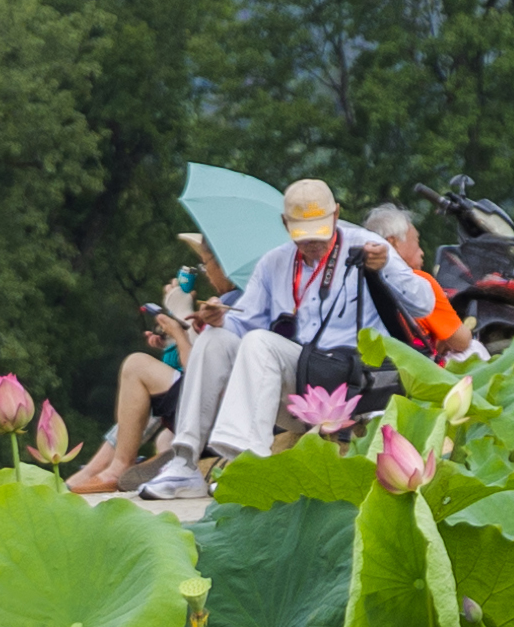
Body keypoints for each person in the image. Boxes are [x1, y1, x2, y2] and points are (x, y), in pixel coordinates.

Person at [139, 179, 435, 498]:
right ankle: (185, 462)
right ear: (285, 223)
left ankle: (250, 462)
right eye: (302, 234)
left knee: (260, 343)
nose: (312, 242)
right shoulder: (274, 263)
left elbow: (424, 304)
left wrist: (386, 266)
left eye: (319, 231)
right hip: (301, 383)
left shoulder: (367, 247)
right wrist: (220, 319)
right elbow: (243, 323)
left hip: (352, 384)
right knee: (216, 338)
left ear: (335, 215)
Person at [67, 299, 190, 494]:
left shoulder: (233, 307)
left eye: (208, 266)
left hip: (210, 408)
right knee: (163, 439)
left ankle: (116, 466)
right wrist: (170, 344)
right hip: (201, 410)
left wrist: (180, 324)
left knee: (136, 366)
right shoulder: (226, 306)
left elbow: (197, 370)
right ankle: (169, 465)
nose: (207, 274)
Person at [362, 202, 476, 359]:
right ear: (392, 242)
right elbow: (462, 341)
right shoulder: (418, 283)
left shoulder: (358, 280)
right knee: (474, 349)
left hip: (373, 365)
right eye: (416, 240)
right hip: (418, 366)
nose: (421, 252)